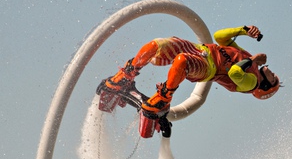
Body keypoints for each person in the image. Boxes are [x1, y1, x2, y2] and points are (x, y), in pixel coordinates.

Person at [102, 25, 280, 119]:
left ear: (266, 85)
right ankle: (127, 75)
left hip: (208, 68)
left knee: (182, 61)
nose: (273, 73)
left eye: (274, 79)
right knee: (157, 45)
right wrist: (243, 30)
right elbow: (220, 37)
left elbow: (234, 73)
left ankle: (164, 98)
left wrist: (253, 60)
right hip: (202, 49)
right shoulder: (249, 60)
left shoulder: (252, 83)